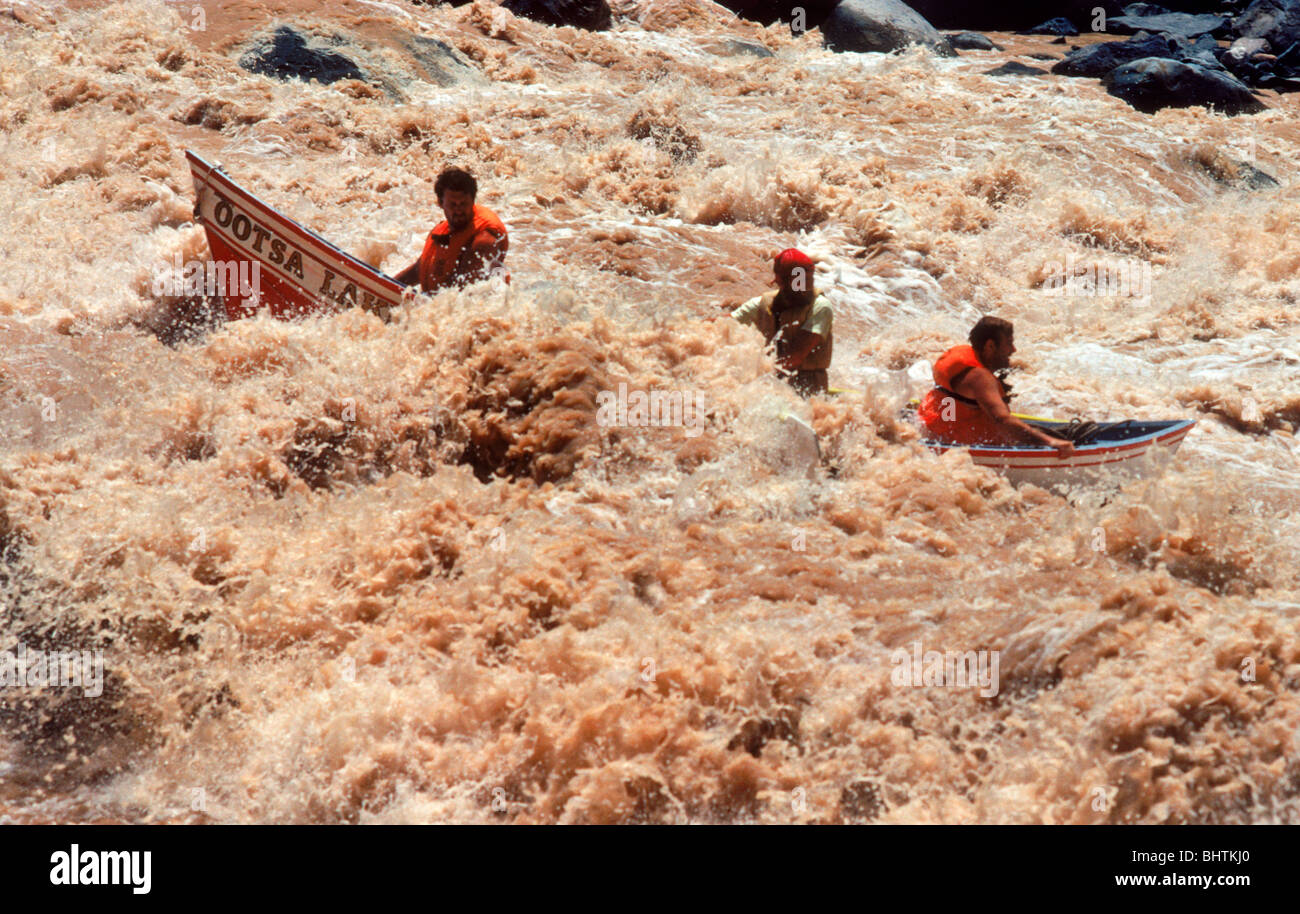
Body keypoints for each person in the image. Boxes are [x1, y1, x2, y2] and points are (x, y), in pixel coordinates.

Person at [917, 316, 1075, 456]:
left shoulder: (960, 355)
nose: (1013, 350)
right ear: (990, 346)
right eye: (1009, 343)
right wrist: (1050, 443)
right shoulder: (980, 377)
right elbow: (1002, 420)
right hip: (959, 451)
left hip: (933, 436)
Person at [730, 248, 833, 397]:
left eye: (806, 280)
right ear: (778, 280)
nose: (802, 287)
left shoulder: (821, 307)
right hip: (771, 385)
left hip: (809, 388)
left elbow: (796, 356)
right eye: (797, 282)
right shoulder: (763, 304)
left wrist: (760, 377)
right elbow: (724, 323)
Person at [395, 167, 508, 292]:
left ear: (473, 201)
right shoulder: (441, 230)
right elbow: (419, 269)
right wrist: (391, 285)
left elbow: (459, 292)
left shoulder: (484, 242)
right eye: (453, 204)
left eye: (463, 204)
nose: (458, 210)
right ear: (440, 203)